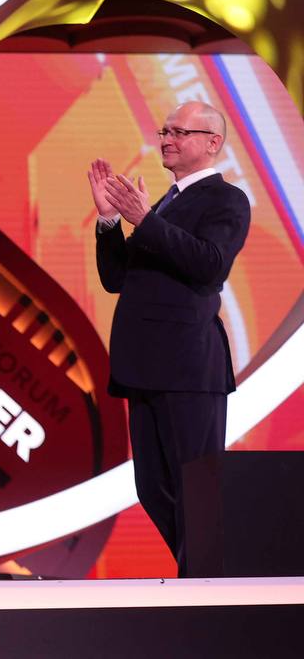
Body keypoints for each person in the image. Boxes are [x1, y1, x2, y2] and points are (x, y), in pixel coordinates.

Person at [89, 100, 251, 576]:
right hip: (144, 366)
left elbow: (209, 264)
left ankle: (204, 584)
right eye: (164, 131)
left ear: (212, 143)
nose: (166, 140)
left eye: (179, 132)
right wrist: (109, 221)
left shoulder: (226, 200)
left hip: (188, 367)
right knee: (153, 487)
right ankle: (197, 576)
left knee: (197, 491)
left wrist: (147, 221)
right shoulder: (165, 203)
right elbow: (117, 278)